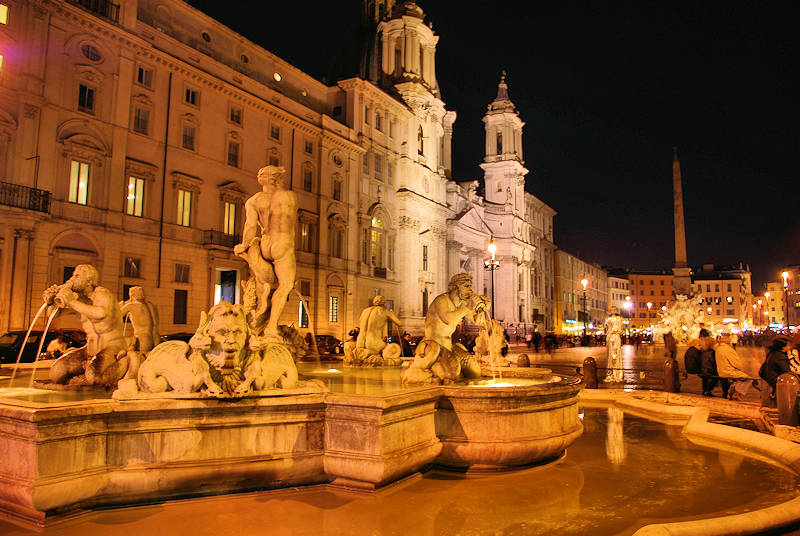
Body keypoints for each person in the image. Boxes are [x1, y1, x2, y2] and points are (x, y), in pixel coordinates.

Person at [234, 165, 297, 339]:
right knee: (286, 285)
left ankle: (258, 319)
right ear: (276, 179)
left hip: (265, 243)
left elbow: (250, 226)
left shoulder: (253, 201)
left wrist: (243, 245)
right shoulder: (288, 197)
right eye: (280, 178)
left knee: (266, 284)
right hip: (282, 244)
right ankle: (271, 327)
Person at [45, 264, 133, 386]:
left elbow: (100, 313)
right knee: (56, 372)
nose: (71, 279)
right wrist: (52, 302)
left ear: (88, 281)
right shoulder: (79, 300)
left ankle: (124, 363)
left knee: (94, 378)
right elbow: (53, 316)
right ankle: (84, 376)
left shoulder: (102, 294)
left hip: (112, 347)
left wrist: (71, 302)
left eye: (76, 276)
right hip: (89, 350)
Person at [401, 273, 489, 384]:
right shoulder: (441, 300)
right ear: (456, 287)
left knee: (475, 373)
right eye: (467, 286)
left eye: (470, 286)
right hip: (433, 346)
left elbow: (478, 322)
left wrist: (481, 310)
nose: (470, 290)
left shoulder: (462, 304)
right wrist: (468, 307)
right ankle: (418, 375)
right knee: (451, 375)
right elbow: (448, 319)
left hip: (449, 346)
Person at [354, 295, 403, 365]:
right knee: (394, 349)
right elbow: (399, 323)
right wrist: (391, 313)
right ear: (383, 303)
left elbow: (360, 322)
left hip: (359, 342)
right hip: (373, 344)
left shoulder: (365, 311)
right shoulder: (385, 311)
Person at [119, 286, 160, 353]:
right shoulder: (151, 305)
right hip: (154, 338)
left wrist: (122, 303)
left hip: (141, 339)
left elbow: (116, 314)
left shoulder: (131, 305)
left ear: (132, 295)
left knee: (140, 359)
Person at [713, 334, 751, 401]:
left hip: (721, 371)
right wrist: (741, 369)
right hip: (729, 371)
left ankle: (731, 392)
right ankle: (736, 393)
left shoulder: (718, 349)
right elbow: (737, 364)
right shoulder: (728, 350)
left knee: (737, 380)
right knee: (747, 379)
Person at [759, 336, 792, 401]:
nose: (790, 347)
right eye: (788, 346)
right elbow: (786, 371)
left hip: (770, 377)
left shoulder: (773, 353)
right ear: (782, 347)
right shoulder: (779, 357)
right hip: (776, 379)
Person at [699, 329, 729, 397]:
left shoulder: (704, 351)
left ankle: (707, 390)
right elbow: (714, 363)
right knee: (724, 376)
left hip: (704, 370)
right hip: (709, 371)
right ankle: (725, 392)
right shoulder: (711, 352)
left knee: (722, 375)